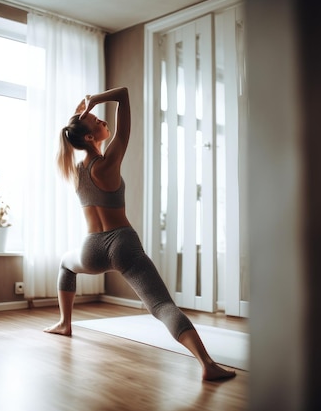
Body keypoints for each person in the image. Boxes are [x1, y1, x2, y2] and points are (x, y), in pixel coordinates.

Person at [44, 87, 236, 382]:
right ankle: (207, 364)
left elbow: (73, 130)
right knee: (161, 306)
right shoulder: (108, 163)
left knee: (65, 264)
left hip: (90, 250)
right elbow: (123, 95)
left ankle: (64, 323)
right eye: (97, 122)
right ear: (89, 138)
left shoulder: (74, 168)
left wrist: (81, 110)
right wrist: (95, 100)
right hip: (122, 244)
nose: (103, 122)